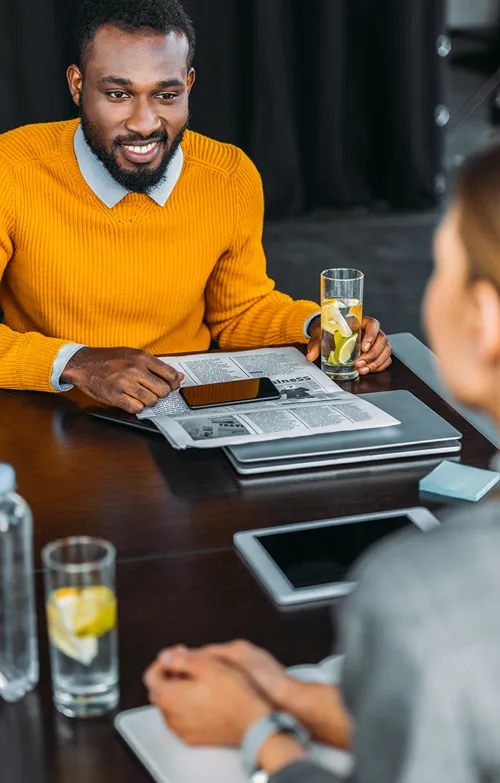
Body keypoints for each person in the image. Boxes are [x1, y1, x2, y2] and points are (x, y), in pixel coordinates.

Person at [144, 141, 500, 782]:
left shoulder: (419, 596)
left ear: (486, 318)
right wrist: (288, 695)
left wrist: (259, 737)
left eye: (442, 266)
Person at [0, 0, 391, 415]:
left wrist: (317, 326)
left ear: (188, 84)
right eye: (118, 94)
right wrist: (78, 362)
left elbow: (238, 310)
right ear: (78, 85)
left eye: (166, 94)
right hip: (53, 411)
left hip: (185, 406)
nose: (145, 123)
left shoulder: (229, 176)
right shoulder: (12, 170)